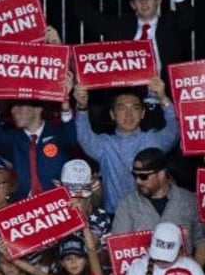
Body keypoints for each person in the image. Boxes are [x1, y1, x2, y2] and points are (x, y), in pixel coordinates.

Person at [71, 0, 195, 77]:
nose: (144, 1)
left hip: (166, 92)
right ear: (132, 5)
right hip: (129, 95)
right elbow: (85, 14)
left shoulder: (171, 23)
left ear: (159, 1)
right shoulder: (120, 26)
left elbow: (189, 19)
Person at [74, 83, 180, 213]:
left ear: (142, 113)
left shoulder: (153, 140)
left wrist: (163, 99)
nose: (129, 115)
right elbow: (84, 136)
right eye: (122, 108)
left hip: (151, 217)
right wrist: (82, 107)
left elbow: (174, 131)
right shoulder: (104, 145)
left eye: (135, 108)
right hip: (115, 218)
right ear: (112, 114)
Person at [112, 148, 205, 266]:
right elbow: (120, 248)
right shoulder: (127, 204)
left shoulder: (190, 201)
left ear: (161, 174)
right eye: (135, 175)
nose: (138, 181)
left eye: (144, 176)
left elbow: (203, 241)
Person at [0, 75, 77, 199]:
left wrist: (65, 103)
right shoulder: (13, 139)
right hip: (24, 209)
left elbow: (71, 138)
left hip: (56, 206)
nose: (13, 111)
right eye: (13, 106)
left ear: (38, 109)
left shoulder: (58, 135)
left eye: (20, 106)